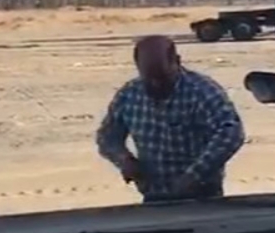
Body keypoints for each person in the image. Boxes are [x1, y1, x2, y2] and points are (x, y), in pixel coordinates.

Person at [95, 34, 245, 202]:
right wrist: (124, 160)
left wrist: (195, 175)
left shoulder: (202, 91)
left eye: (162, 77)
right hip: (153, 196)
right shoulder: (130, 94)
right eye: (149, 78)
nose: (156, 84)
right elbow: (107, 136)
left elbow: (231, 133)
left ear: (177, 61)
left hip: (202, 195)